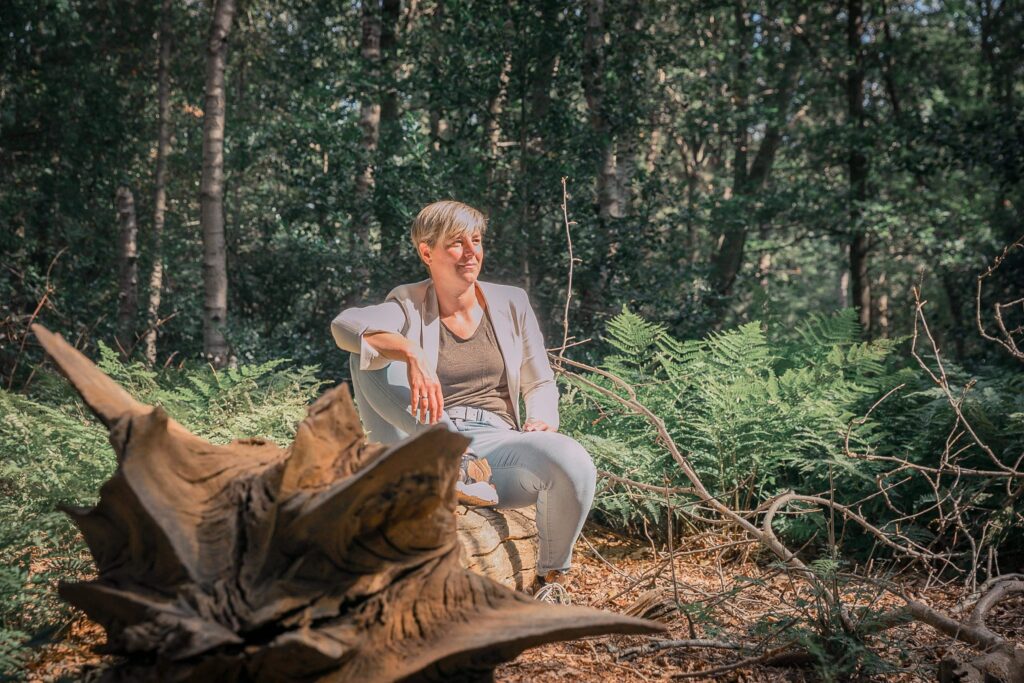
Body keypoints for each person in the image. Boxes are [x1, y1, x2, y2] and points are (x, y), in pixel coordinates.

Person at [330, 200, 596, 595]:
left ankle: (550, 579)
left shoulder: (511, 303)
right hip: (421, 443)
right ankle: (452, 460)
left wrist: (543, 419)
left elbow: (539, 383)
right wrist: (410, 350)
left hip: (494, 450)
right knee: (369, 354)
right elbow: (345, 326)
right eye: (456, 243)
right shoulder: (407, 303)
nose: (471, 252)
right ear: (426, 251)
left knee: (572, 459)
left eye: (476, 240)